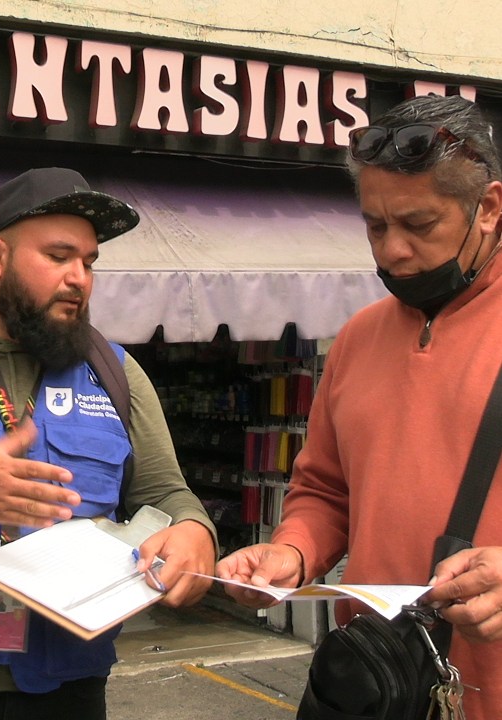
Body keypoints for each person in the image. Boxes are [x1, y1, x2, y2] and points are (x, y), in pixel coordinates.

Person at [0, 167, 217, 720]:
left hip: (69, 685)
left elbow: (168, 494)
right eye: (59, 257)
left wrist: (194, 532)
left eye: (89, 262)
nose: (79, 278)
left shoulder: (117, 374)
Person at [215, 94, 502, 719]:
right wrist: (291, 550)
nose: (392, 250)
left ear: (488, 208)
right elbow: (324, 489)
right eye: (376, 226)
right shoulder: (359, 337)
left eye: (419, 225)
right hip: (377, 690)